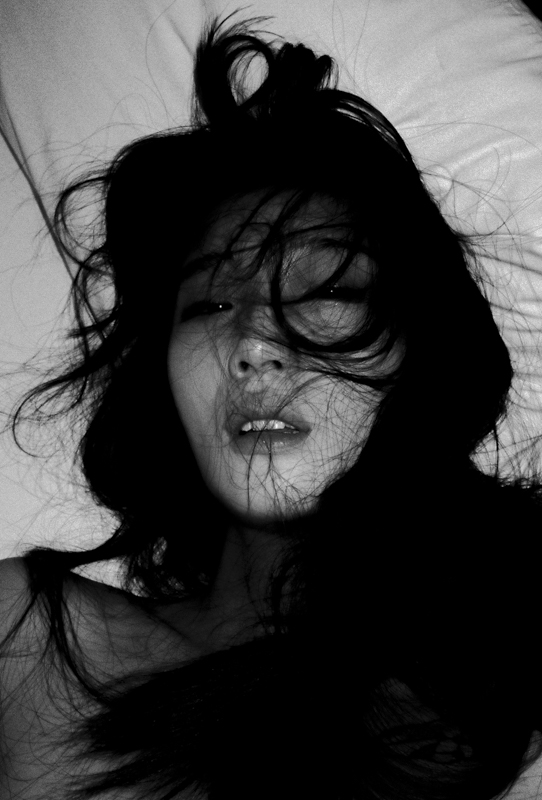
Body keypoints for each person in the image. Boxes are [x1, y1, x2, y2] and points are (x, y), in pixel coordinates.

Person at [1, 10, 542, 800]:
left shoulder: (512, 676)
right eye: (211, 303)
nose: (254, 341)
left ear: (419, 351)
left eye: (327, 290)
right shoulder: (22, 636)